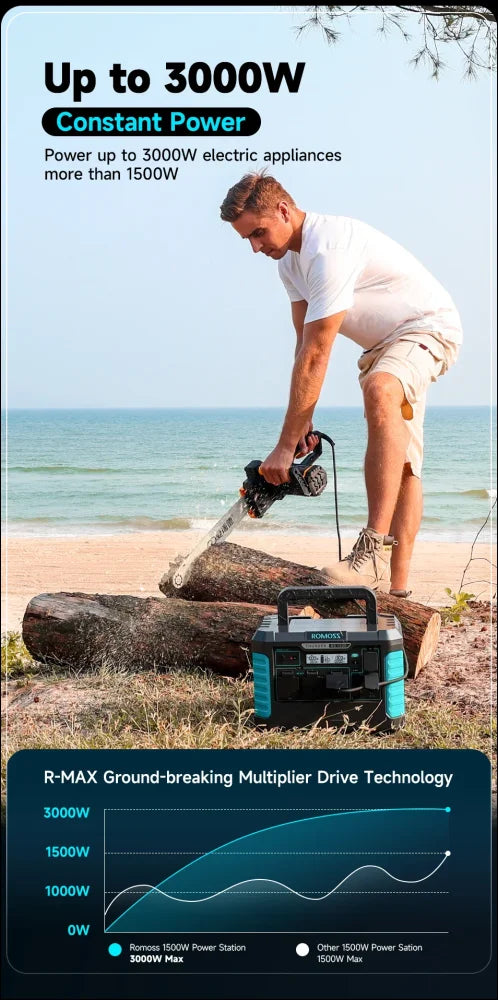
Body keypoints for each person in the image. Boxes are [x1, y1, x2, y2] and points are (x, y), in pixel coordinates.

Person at [220, 173, 462, 595]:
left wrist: (282, 446)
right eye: (247, 240)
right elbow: (303, 347)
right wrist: (299, 431)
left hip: (425, 329)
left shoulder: (327, 248)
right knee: (403, 464)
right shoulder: (290, 263)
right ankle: (399, 594)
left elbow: (318, 351)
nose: (256, 247)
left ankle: (370, 551)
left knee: (381, 389)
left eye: (258, 233)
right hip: (381, 348)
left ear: (283, 210)